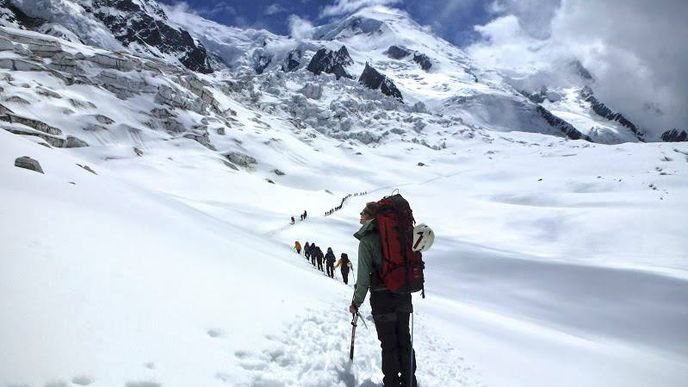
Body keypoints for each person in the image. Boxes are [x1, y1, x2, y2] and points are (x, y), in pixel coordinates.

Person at [349, 202, 417, 387]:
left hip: (382, 298)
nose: (360, 216)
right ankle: (410, 381)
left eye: (363, 212)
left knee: (389, 343)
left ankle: (392, 383)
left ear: (370, 216)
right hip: (403, 293)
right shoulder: (398, 233)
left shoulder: (367, 241)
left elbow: (363, 279)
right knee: (404, 338)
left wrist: (356, 302)